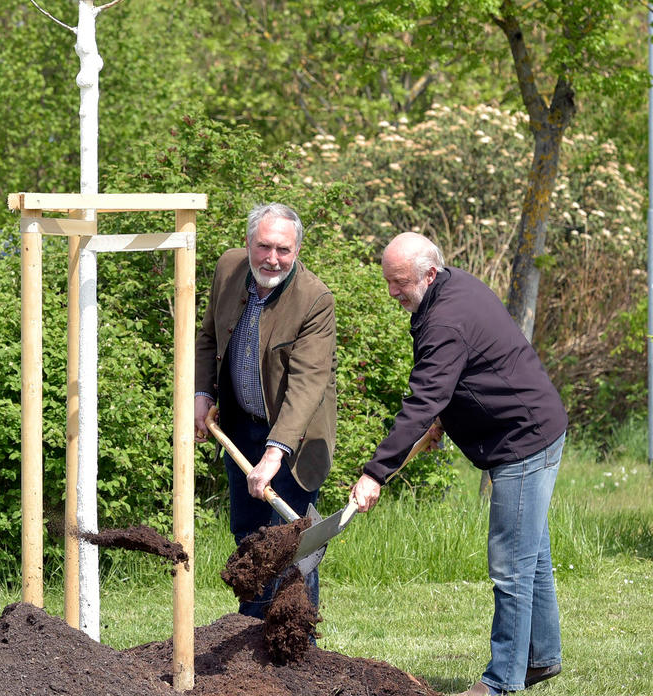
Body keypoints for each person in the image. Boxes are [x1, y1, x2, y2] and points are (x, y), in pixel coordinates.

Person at [351, 232, 566, 696]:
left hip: (523, 441)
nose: (393, 292)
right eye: (388, 281)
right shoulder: (451, 285)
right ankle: (542, 659)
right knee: (532, 555)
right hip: (532, 426)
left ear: (429, 274)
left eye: (400, 282)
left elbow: (424, 397)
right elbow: (466, 371)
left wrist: (375, 472)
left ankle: (501, 682)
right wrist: (442, 421)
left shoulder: (445, 318)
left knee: (511, 563)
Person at [194, 202, 337, 618]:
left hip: (297, 440)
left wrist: (275, 453)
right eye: (264, 247)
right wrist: (202, 393)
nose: (272, 259)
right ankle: (251, 646)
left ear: (297, 252)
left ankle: (295, 647)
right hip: (240, 430)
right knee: (249, 537)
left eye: (284, 250)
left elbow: (307, 386)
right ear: (248, 243)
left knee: (290, 544)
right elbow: (207, 338)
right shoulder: (228, 269)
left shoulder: (314, 299)